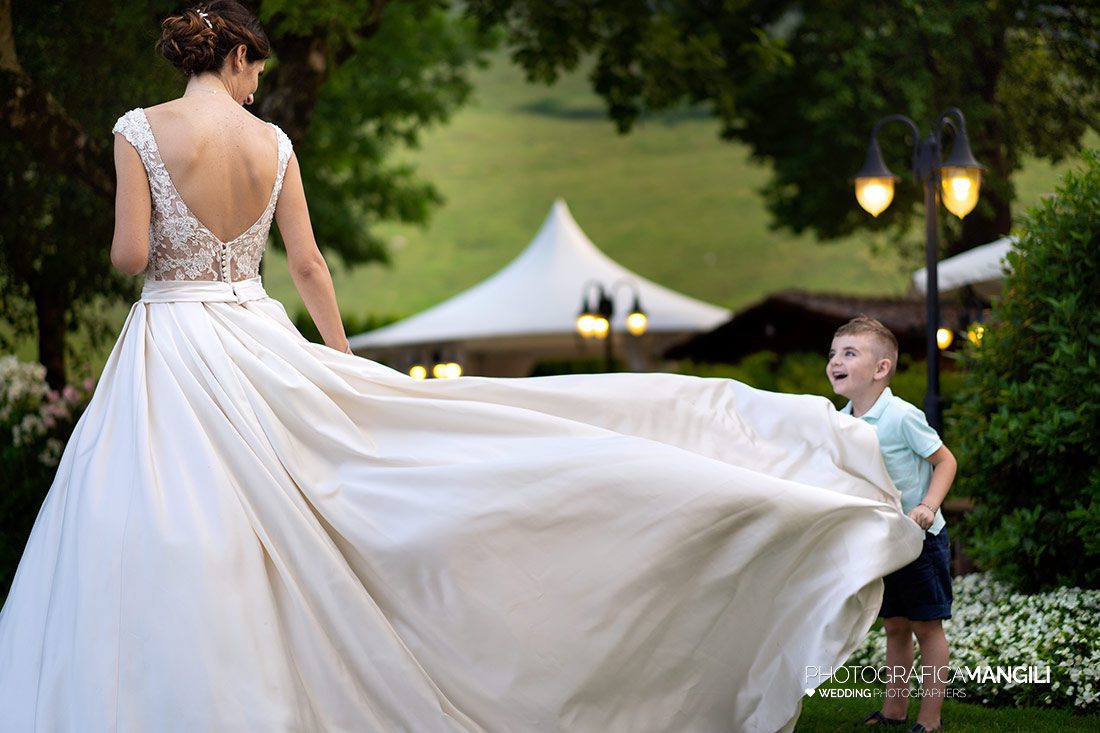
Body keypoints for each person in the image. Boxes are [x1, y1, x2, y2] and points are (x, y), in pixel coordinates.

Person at [0, 3, 923, 731]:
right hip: (256, 337)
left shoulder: (138, 129)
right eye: (258, 72)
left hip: (170, 342)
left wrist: (168, 236)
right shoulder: (273, 144)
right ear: (239, 56)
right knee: (301, 502)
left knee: (157, 516)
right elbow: (311, 267)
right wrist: (346, 366)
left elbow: (128, 258)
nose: (257, 88)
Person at [826, 316, 957, 733]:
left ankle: (930, 720)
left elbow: (945, 461)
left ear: (881, 369)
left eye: (849, 353)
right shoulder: (841, 421)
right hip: (884, 543)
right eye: (832, 354)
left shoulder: (901, 416)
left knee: (925, 627)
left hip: (920, 540)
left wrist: (928, 506)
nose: (835, 362)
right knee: (895, 625)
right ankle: (894, 710)